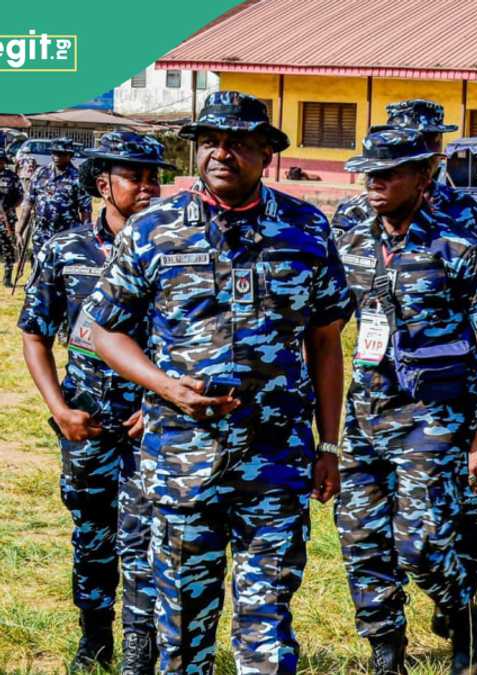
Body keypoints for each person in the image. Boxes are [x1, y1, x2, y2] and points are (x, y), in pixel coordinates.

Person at [83, 91, 352, 674]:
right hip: (181, 458)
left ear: (266, 153)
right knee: (181, 629)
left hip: (275, 459)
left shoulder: (305, 228)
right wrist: (165, 386)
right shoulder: (153, 229)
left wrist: (329, 445)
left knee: (268, 627)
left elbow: (326, 342)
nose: (220, 153)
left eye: (237, 143)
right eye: (209, 142)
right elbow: (104, 331)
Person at [335, 127, 477, 675]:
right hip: (365, 413)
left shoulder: (458, 249)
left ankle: (463, 621)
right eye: (369, 172)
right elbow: (322, 328)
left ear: (422, 176)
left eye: (388, 173)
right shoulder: (351, 243)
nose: (374, 182)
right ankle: (386, 651)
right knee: (361, 538)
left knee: (424, 544)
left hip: (433, 420)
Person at [19, 131, 173, 674]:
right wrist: (60, 409)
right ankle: (95, 634)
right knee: (92, 532)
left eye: (156, 175)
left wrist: (159, 402)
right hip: (86, 422)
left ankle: (140, 645)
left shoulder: (172, 250)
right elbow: (35, 334)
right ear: (103, 183)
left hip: (150, 422)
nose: (150, 186)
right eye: (136, 176)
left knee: (147, 537)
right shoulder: (65, 250)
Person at [333, 99, 477, 241]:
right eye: (410, 143)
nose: (423, 154)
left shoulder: (464, 208)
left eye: (431, 140)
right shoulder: (355, 211)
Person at [20, 137, 91, 256]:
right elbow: (28, 203)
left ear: (70, 155)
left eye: (62, 153)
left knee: (63, 272)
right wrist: (20, 231)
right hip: (41, 234)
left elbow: (86, 211)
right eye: (55, 153)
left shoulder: (77, 178)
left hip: (67, 235)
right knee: (39, 271)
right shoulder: (40, 173)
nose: (57, 156)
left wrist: (86, 239)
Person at [0, 150, 22, 287]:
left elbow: (20, 196)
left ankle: (7, 278)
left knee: (7, 248)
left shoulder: (11, 177)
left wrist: (9, 209)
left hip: (7, 218)